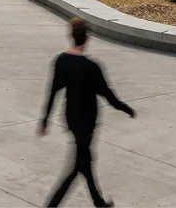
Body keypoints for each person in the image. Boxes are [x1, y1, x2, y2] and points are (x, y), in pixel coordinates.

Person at [39, 18, 135, 208]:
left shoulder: (61, 61)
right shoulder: (92, 67)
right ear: (87, 38)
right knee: (77, 166)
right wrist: (126, 108)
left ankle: (98, 202)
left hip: (71, 119)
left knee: (84, 161)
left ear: (71, 36)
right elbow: (109, 96)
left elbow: (53, 91)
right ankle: (52, 205)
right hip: (87, 122)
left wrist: (45, 119)